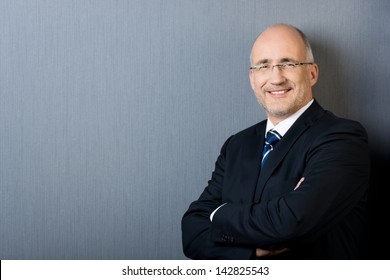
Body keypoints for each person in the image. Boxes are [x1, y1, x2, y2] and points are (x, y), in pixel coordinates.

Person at [181, 23, 370, 259]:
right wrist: (251, 250)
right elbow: (190, 233)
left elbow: (289, 223)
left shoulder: (342, 139)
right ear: (252, 77)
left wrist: (218, 214)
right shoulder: (237, 146)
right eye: (263, 66)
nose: (276, 78)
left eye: (288, 63)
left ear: (312, 73)